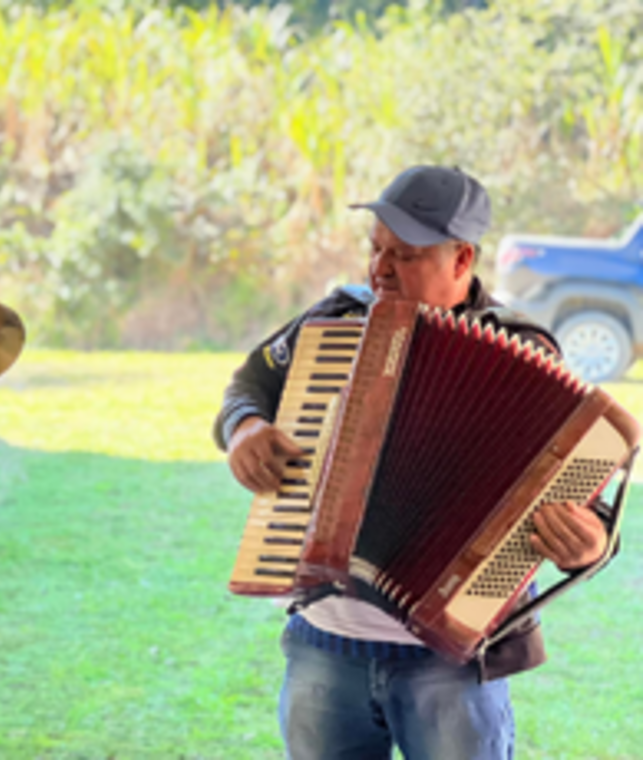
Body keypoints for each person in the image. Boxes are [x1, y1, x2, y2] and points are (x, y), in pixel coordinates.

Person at [213, 165, 612, 760]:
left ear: (461, 260)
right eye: (375, 250)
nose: (379, 269)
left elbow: (591, 508)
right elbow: (249, 384)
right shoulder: (334, 323)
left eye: (404, 255)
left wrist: (587, 545)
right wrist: (244, 427)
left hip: (451, 662)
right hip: (326, 640)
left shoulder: (523, 351)